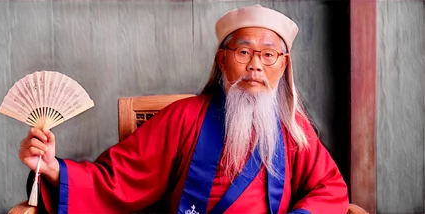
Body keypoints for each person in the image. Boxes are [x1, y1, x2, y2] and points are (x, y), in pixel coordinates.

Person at [18, 4, 349, 214]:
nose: (255, 66)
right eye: (244, 52)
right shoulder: (184, 117)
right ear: (222, 60)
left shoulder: (294, 130)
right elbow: (120, 178)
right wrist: (53, 169)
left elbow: (329, 188)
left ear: (283, 66)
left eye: (268, 55)